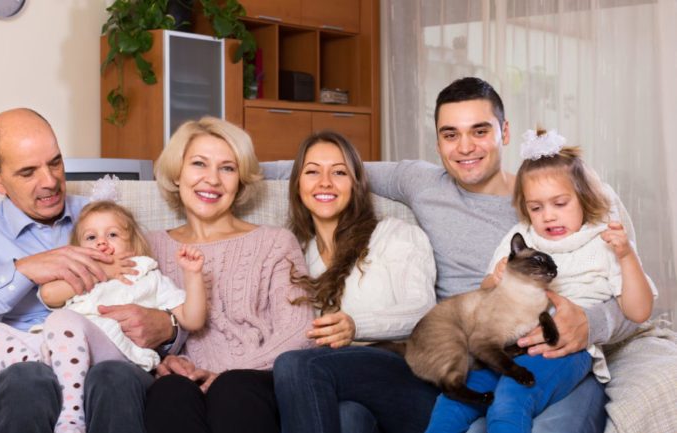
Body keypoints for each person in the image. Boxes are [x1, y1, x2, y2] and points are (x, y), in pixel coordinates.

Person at [265, 77, 640, 433]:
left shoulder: (555, 200)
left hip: (553, 357)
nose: (464, 148)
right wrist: (229, 173)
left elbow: (633, 301)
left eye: (480, 131)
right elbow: (322, 170)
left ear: (504, 133)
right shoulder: (421, 182)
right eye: (450, 135)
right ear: (438, 142)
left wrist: (591, 323)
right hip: (466, 357)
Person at [0, 108, 183, 433]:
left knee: (113, 377)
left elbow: (154, 284)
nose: (50, 181)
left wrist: (169, 328)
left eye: (55, 162)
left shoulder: (104, 220)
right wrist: (21, 273)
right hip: (25, 364)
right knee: (27, 381)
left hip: (111, 357)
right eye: (28, 172)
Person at [425, 129, 655, 433]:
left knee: (512, 396)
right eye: (536, 207)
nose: (548, 216)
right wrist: (493, 281)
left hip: (565, 349)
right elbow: (486, 293)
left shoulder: (602, 240)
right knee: (453, 399)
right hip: (509, 343)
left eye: (560, 203)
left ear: (583, 199)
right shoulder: (523, 237)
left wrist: (626, 256)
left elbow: (638, 311)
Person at [0, 199, 208, 433]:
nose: (101, 243)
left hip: (115, 350)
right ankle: (45, 363)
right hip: (61, 345)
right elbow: (49, 293)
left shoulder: (145, 274)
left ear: (133, 246)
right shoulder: (80, 277)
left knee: (61, 320)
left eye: (112, 235)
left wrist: (193, 275)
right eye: (91, 238)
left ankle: (72, 415)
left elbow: (192, 319)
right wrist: (100, 271)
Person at [143, 116, 314, 433]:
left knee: (233, 388)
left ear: (241, 181)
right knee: (168, 391)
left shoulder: (275, 242)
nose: (212, 179)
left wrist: (227, 372)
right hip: (185, 382)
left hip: (254, 380)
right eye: (199, 164)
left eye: (227, 168)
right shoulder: (148, 246)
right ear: (177, 174)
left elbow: (300, 331)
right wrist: (159, 363)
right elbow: (132, 323)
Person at [274, 130, 438, 433]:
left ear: (356, 184)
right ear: (297, 185)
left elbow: (423, 311)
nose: (325, 182)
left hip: (405, 379)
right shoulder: (294, 258)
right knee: (349, 418)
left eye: (339, 172)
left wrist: (356, 325)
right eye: (312, 172)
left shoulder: (395, 235)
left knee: (297, 364)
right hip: (344, 392)